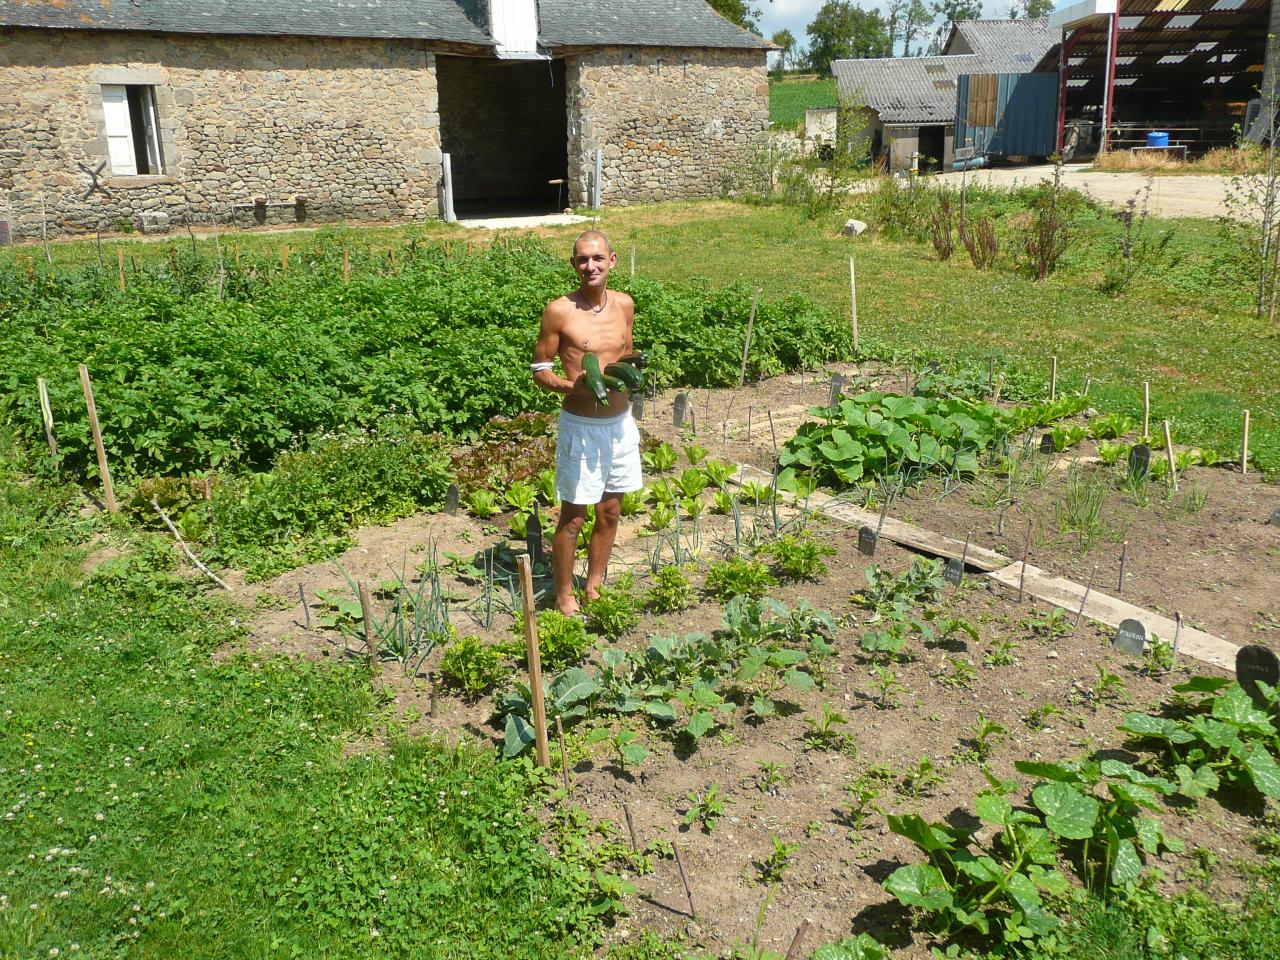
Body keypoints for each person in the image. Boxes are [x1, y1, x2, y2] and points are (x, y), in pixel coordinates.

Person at [532, 230, 641, 616]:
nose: (589, 266)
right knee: (574, 517)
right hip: (581, 426)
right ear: (573, 264)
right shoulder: (559, 311)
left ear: (611, 260)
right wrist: (568, 385)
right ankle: (564, 594)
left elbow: (625, 354)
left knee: (610, 511)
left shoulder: (625, 305)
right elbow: (540, 368)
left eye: (597, 258)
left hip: (620, 425)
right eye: (581, 259)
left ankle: (594, 585)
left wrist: (629, 372)